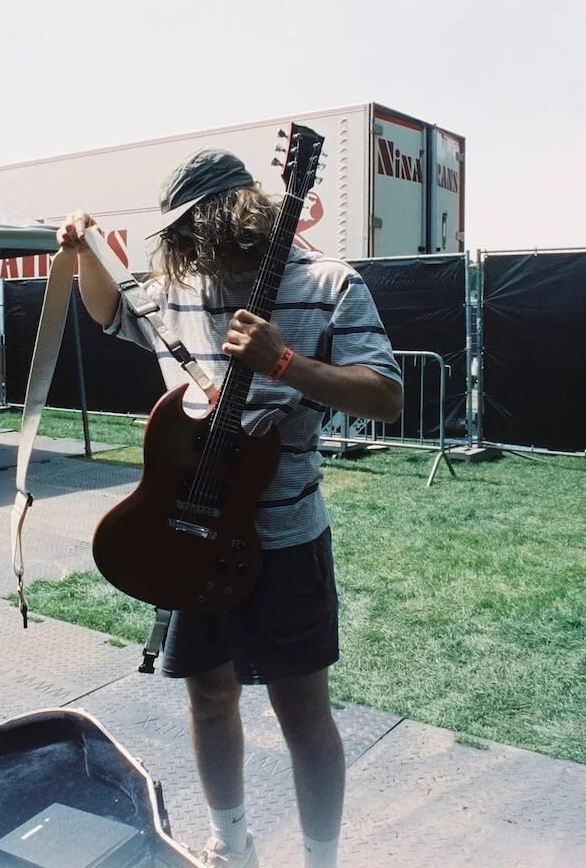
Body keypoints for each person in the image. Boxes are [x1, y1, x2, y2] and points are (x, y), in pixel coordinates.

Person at [57, 148, 403, 868]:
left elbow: (386, 397)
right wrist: (82, 246)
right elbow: (110, 311)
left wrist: (284, 363)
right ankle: (231, 842)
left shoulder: (330, 284)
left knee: (301, 712)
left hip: (282, 535)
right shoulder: (176, 286)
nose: (181, 248)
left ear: (231, 215)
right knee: (208, 694)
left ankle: (320, 860)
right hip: (185, 531)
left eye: (190, 229)